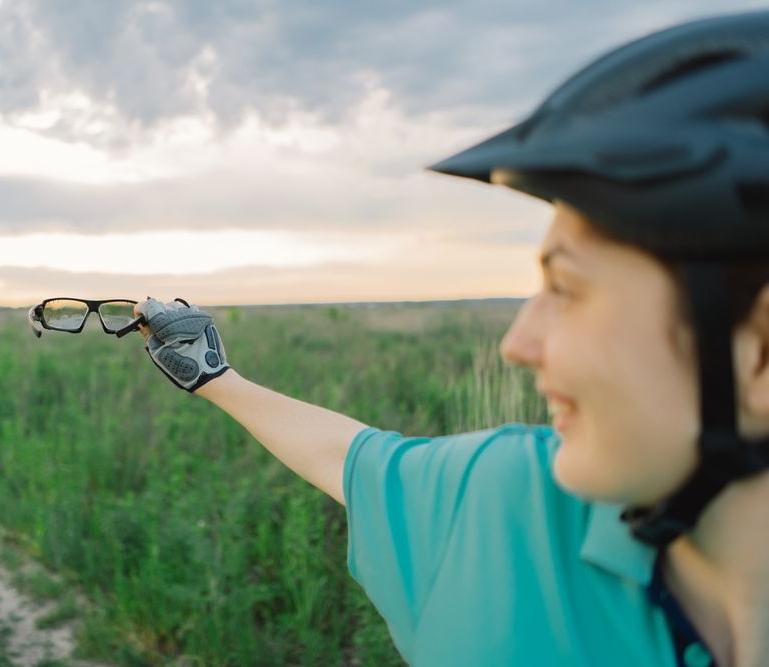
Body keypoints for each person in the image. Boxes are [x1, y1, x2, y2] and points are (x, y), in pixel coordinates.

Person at [134, 10, 769, 666]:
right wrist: (214, 376)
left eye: (567, 289)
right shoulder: (512, 499)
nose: (517, 343)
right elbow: (347, 459)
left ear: (760, 356)